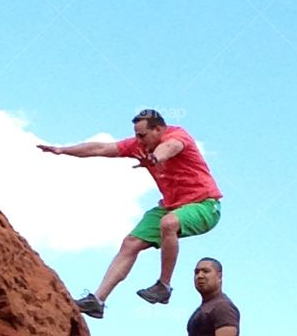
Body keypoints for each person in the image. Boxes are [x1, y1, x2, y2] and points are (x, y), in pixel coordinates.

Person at [37, 109, 222, 318]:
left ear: (159, 129)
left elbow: (170, 147)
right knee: (130, 243)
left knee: (168, 224)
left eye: (142, 135)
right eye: (136, 135)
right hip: (171, 205)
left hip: (204, 205)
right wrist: (62, 150)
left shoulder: (177, 136)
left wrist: (154, 158)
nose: (138, 140)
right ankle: (97, 301)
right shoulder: (139, 145)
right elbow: (100, 148)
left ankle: (164, 286)